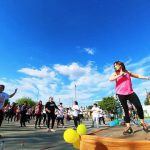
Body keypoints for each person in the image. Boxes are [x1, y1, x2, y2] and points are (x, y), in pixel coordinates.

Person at [109, 60, 150, 135]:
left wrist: (147, 77)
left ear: (120, 65)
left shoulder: (128, 72)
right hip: (121, 94)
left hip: (130, 92)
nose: (114, 66)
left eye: (116, 65)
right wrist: (120, 75)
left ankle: (142, 123)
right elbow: (110, 79)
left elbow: (137, 76)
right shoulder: (115, 74)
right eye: (114, 66)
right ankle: (128, 127)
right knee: (126, 110)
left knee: (139, 106)